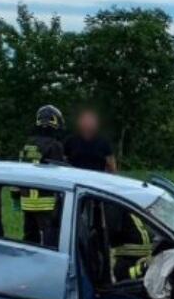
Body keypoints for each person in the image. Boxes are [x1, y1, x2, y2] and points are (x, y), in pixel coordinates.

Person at [17, 105, 67, 246]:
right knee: (50, 239)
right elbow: (60, 174)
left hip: (26, 201)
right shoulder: (55, 145)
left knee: (30, 237)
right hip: (47, 202)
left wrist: (16, 196)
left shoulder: (27, 144)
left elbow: (19, 170)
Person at [64, 109, 116, 173]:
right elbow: (63, 162)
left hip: (97, 180)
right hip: (75, 178)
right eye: (85, 120)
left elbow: (112, 166)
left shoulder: (104, 142)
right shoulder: (70, 140)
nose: (87, 123)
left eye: (90, 121)